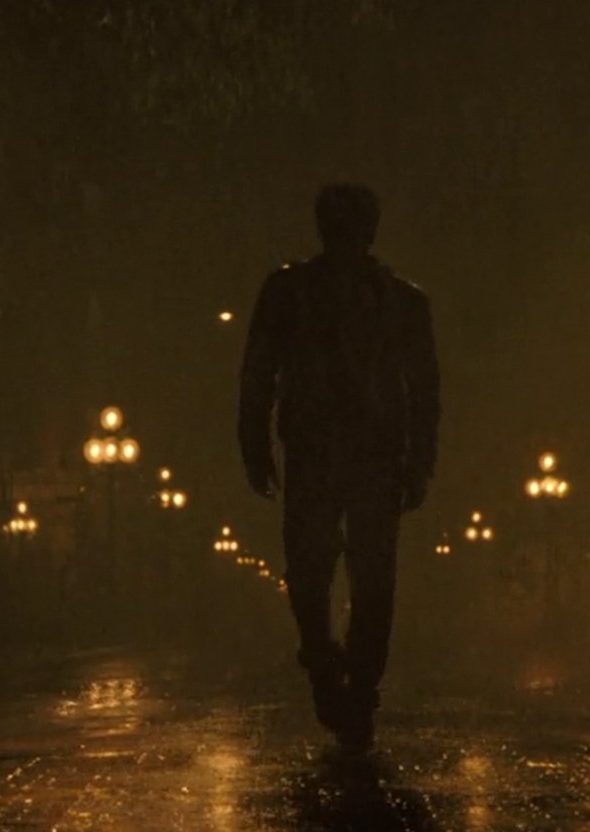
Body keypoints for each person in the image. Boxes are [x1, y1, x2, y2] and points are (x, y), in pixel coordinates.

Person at [238, 183, 440, 752]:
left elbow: (259, 376)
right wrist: (420, 461)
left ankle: (349, 680)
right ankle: (338, 673)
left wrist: (255, 444)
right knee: (333, 573)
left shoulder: (381, 299)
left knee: (350, 575)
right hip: (337, 451)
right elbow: (425, 393)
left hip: (352, 453)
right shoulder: (392, 300)